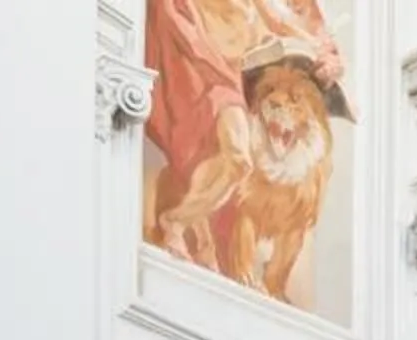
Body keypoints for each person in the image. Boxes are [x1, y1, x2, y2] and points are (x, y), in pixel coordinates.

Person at [144, 0, 345, 278]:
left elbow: (277, 21)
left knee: (238, 161)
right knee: (213, 155)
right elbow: (176, 25)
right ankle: (188, 234)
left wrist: (321, 52)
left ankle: (183, 226)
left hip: (226, 77)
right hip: (193, 67)